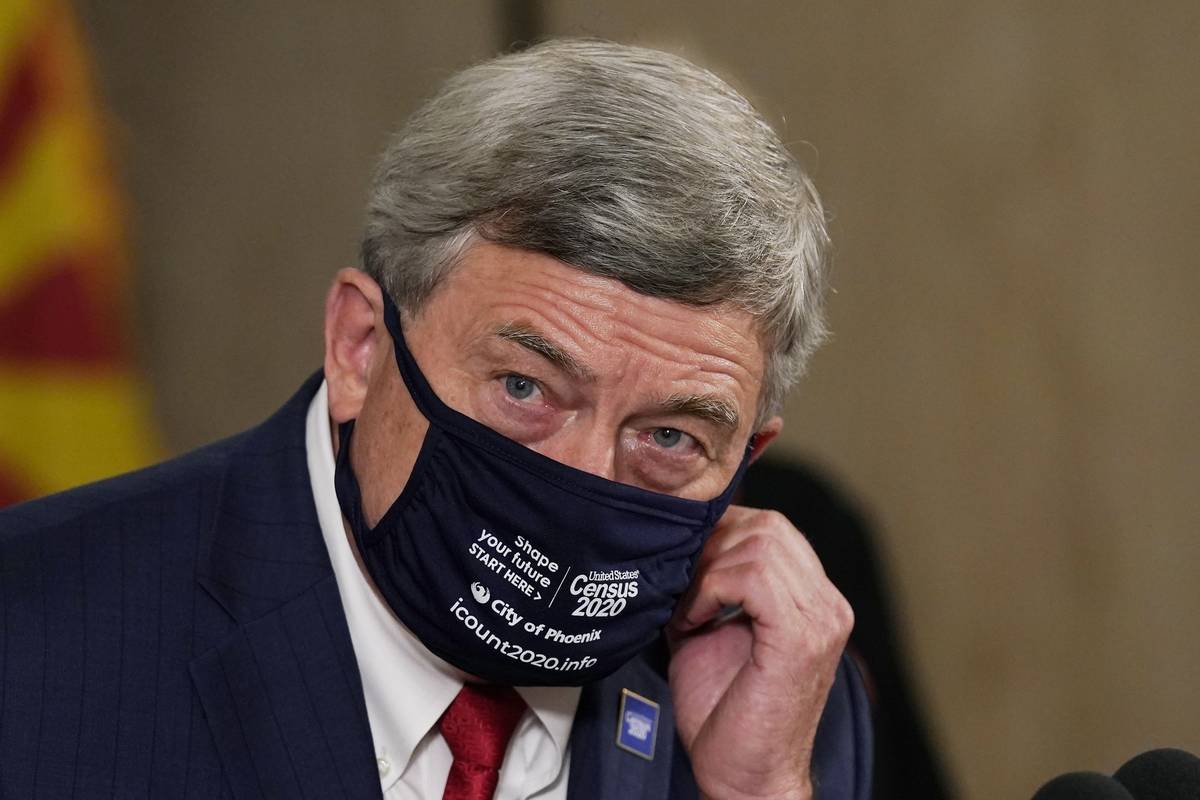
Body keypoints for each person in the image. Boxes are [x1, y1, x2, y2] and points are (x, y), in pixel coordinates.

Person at [0, 39, 871, 799]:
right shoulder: (32, 641)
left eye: (670, 438)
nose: (583, 481)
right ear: (362, 348)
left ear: (747, 458)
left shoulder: (776, 704)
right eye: (525, 388)